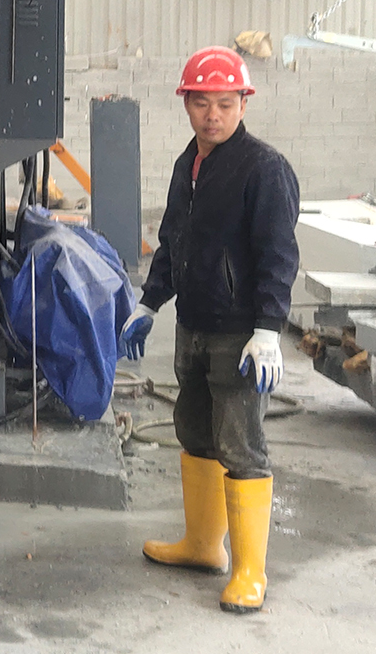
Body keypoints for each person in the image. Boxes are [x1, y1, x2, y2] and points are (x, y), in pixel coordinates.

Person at [118, 46, 300, 613]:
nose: (213, 115)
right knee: (194, 431)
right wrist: (149, 302)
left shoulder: (263, 168)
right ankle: (202, 545)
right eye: (202, 103)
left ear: (243, 103)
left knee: (240, 445)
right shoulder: (187, 165)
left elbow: (278, 254)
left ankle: (249, 572)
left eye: (224, 103)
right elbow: (173, 240)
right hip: (193, 325)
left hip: (239, 336)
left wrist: (268, 329)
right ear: (186, 104)